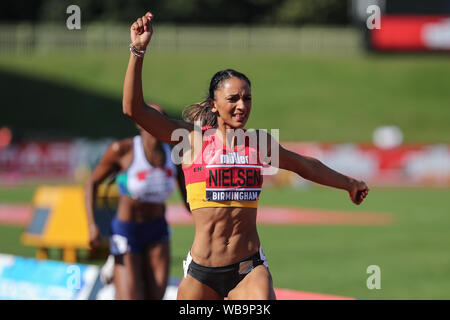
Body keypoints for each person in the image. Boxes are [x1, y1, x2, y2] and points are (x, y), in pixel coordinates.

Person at [122, 12, 369, 300]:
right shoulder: (190, 140)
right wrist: (138, 51)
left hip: (248, 269)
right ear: (214, 105)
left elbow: (305, 166)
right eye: (233, 99)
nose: (242, 105)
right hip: (202, 272)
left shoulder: (258, 143)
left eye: (247, 98)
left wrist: (348, 183)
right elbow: (134, 110)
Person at [85, 104, 189, 300]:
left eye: (160, 118)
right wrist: (93, 226)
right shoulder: (123, 150)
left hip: (157, 232)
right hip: (127, 232)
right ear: (139, 123)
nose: (154, 123)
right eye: (149, 117)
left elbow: (190, 201)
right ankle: (113, 264)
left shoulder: (174, 155)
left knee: (155, 296)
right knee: (131, 296)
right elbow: (91, 183)